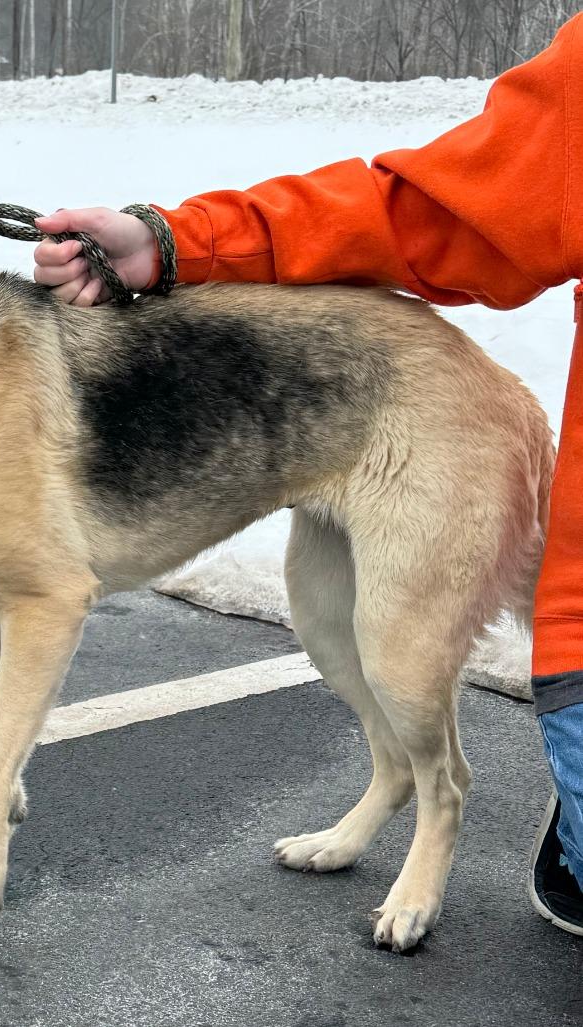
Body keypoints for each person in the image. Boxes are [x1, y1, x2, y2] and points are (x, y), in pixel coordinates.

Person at [32, 13, 583, 936]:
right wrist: (174, 243)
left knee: (399, 653)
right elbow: (432, 213)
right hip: (395, 437)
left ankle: (443, 811)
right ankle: (408, 786)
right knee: (348, 634)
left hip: (449, 442)